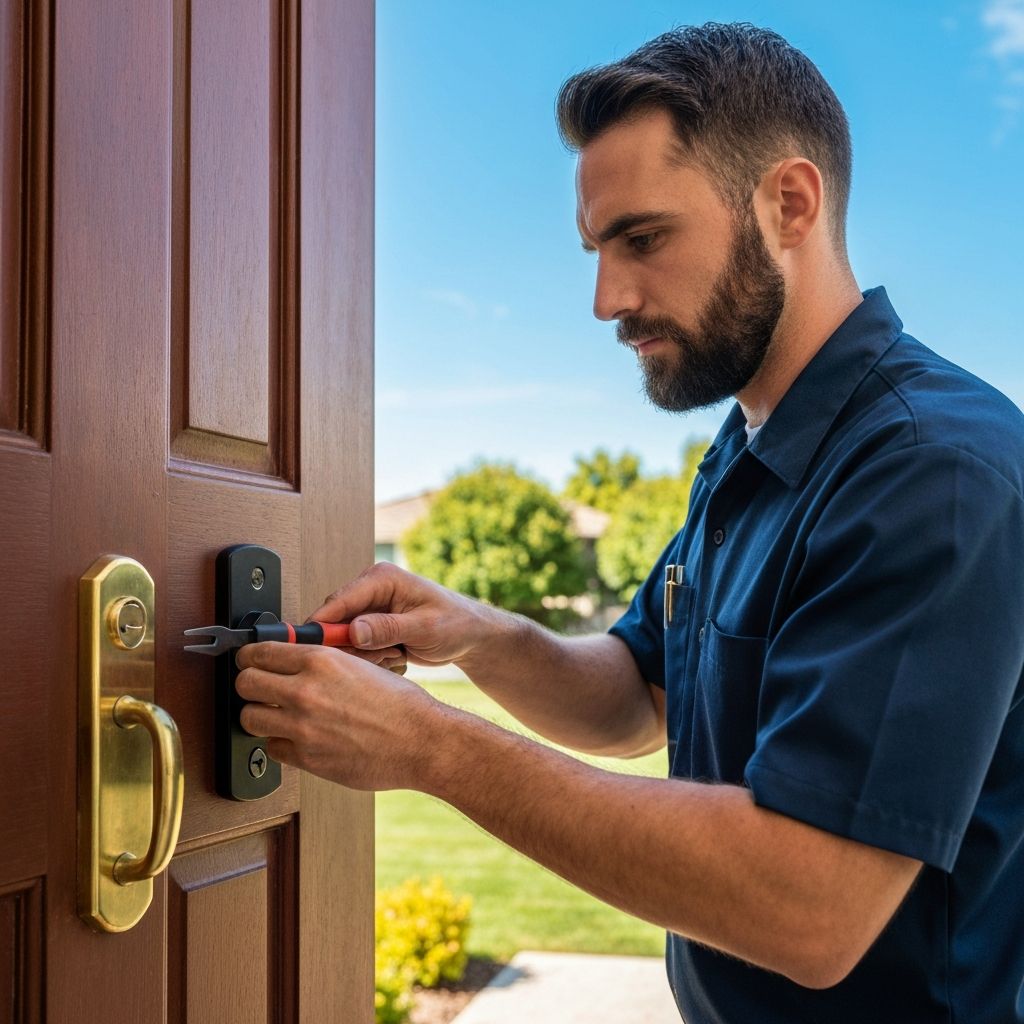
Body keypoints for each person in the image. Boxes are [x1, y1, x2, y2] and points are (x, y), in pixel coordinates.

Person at [235, 23, 1024, 1023]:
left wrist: (432, 749)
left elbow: (809, 904)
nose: (607, 298)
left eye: (642, 239)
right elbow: (637, 694)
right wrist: (474, 633)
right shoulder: (747, 451)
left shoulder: (930, 468)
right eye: (597, 249)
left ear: (790, 202)